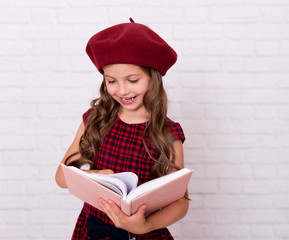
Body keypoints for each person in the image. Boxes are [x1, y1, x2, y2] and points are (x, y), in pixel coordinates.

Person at [55, 18, 189, 240]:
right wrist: (92, 176)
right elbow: (61, 176)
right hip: (93, 231)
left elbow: (181, 203)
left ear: (153, 79)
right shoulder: (95, 120)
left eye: (133, 80)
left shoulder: (167, 133)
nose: (122, 90)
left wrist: (145, 225)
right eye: (112, 81)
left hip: (145, 234)